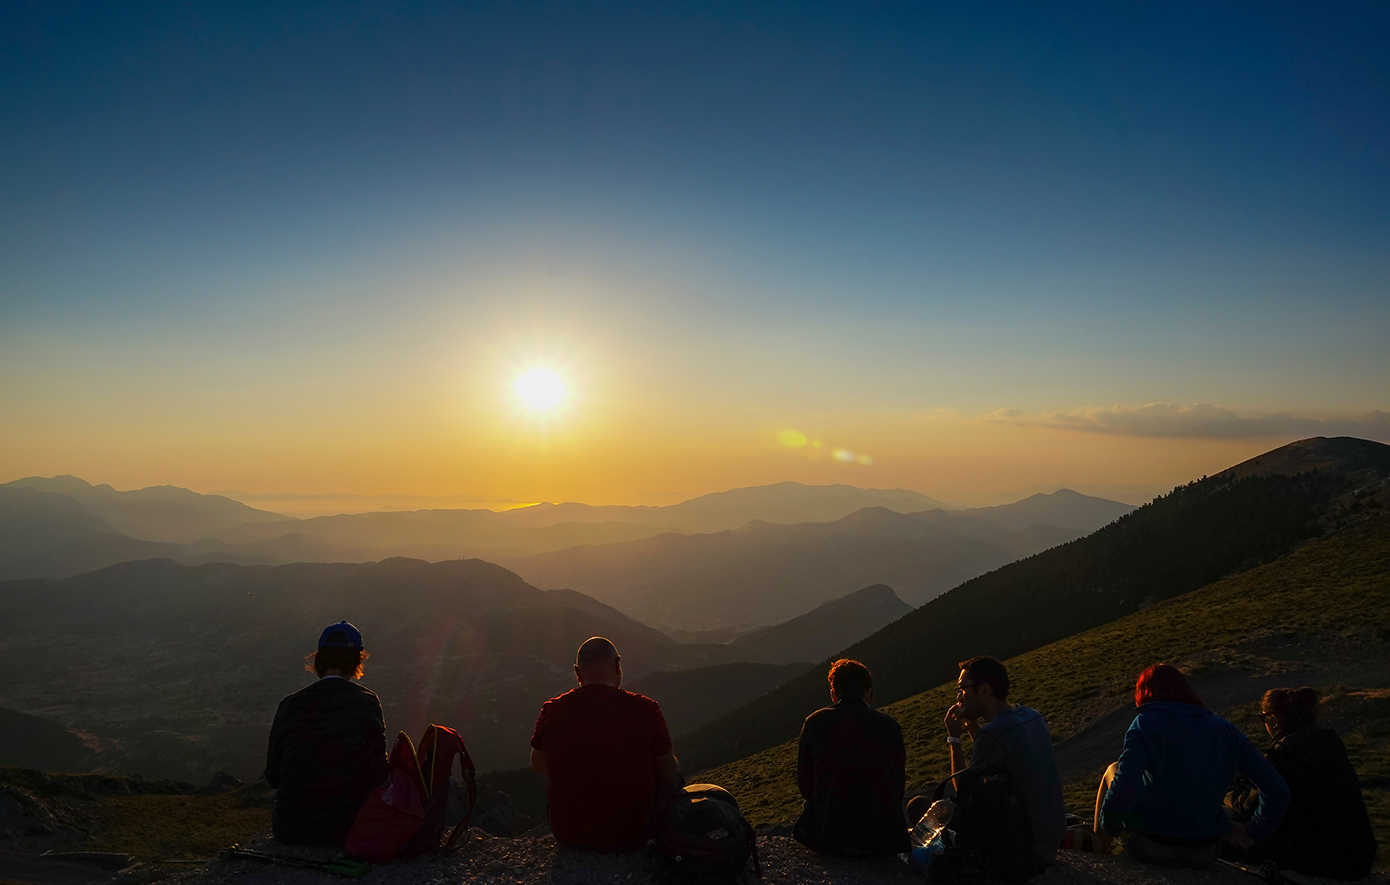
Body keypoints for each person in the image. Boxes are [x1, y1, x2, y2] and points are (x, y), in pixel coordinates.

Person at [1096, 663, 1290, 869]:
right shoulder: (1226, 730)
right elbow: (1277, 789)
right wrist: (1254, 833)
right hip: (1205, 851)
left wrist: (1113, 826)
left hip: (1150, 846)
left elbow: (1125, 786)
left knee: (1112, 769)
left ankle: (1099, 850)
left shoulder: (1145, 723)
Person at [530, 636, 682, 852]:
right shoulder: (646, 709)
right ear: (618, 665)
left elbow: (538, 765)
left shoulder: (552, 710)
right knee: (674, 777)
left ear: (577, 672)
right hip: (633, 834)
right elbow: (668, 775)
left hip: (569, 835)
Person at [1226, 687, 1377, 879]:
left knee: (1223, 819)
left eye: (1263, 717)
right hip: (1357, 857)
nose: (1263, 723)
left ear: (1274, 719)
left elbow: (1254, 807)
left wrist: (1228, 792)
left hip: (1311, 857)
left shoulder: (1284, 757)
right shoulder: (1332, 747)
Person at [265, 621, 388, 846]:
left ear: (318, 660)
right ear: (356, 661)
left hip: (291, 828)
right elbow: (379, 772)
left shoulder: (290, 705)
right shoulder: (367, 702)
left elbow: (273, 775)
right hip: (350, 827)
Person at [941, 655, 1067, 869]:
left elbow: (964, 789)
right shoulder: (1032, 715)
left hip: (1027, 846)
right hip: (1052, 835)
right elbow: (995, 757)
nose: (959, 697)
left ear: (984, 690)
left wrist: (954, 738)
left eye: (962, 689)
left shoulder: (993, 734)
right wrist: (973, 728)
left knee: (924, 807)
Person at [793, 659, 910, 855]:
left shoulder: (814, 722)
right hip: (883, 838)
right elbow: (897, 788)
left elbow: (806, 787)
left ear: (833, 695)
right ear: (869, 693)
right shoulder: (890, 726)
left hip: (830, 837)